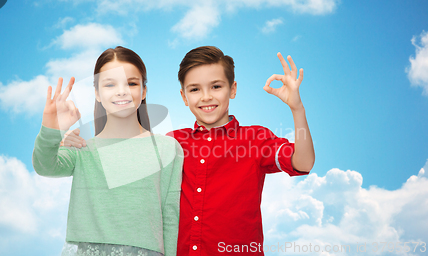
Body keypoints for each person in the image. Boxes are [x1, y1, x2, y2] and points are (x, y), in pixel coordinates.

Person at [61, 46, 315, 256]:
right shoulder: (171, 143)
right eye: (195, 89)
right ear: (183, 96)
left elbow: (302, 163)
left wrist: (297, 108)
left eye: (216, 86)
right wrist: (72, 140)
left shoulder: (255, 138)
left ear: (233, 89)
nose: (206, 96)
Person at [32, 46, 183, 256]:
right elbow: (44, 166)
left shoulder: (168, 148)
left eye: (131, 83)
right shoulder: (81, 148)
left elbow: (171, 216)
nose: (121, 91)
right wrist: (52, 129)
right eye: (110, 84)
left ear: (144, 90)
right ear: (97, 93)